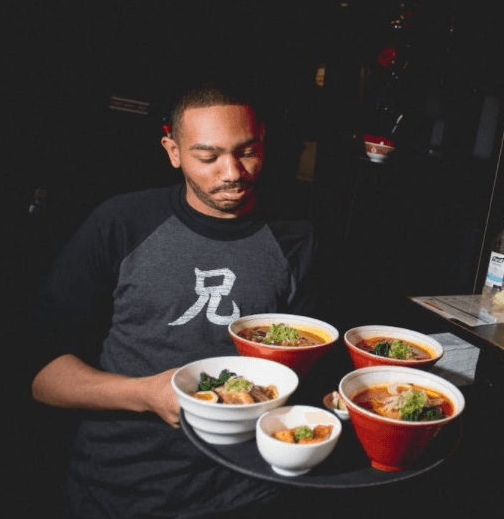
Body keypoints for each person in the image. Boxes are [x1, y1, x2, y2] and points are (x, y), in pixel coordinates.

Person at [30, 83, 318, 519]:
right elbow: (41, 374)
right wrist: (145, 393)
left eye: (247, 151)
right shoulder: (121, 222)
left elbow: (308, 364)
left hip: (249, 491)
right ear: (173, 151)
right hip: (119, 491)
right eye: (208, 157)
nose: (232, 172)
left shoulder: (295, 236)